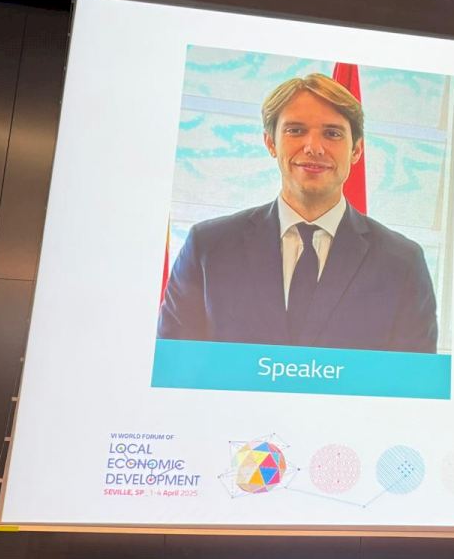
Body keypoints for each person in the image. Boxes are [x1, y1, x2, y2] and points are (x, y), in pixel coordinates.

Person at [158, 73, 439, 353]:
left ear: (356, 150)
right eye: (295, 130)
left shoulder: (402, 263)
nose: (314, 148)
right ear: (271, 143)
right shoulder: (208, 248)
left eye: (332, 133)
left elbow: (412, 377)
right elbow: (172, 363)